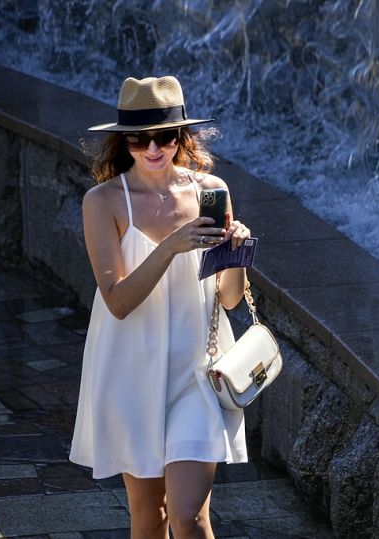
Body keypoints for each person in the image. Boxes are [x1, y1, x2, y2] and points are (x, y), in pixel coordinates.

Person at [69, 75, 251, 538]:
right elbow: (118, 301)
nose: (153, 148)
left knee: (190, 515)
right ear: (122, 141)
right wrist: (171, 245)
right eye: (139, 138)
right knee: (151, 518)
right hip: (131, 373)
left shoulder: (211, 190)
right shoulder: (103, 202)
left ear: (181, 136)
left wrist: (239, 254)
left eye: (165, 136)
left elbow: (229, 298)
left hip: (197, 371)